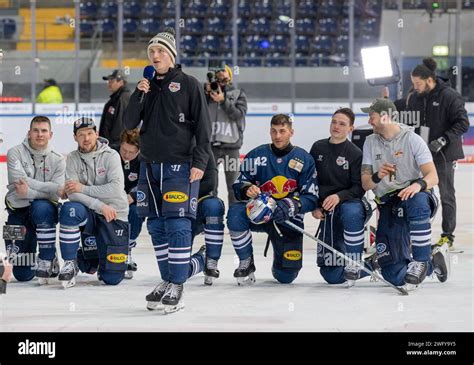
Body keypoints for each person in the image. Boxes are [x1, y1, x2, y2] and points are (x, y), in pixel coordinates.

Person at [124, 27, 211, 313]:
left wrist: (199, 163)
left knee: (177, 224)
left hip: (181, 165)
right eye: (151, 51)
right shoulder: (146, 87)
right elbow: (128, 122)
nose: (155, 55)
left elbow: (203, 128)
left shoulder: (189, 83)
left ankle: (177, 284)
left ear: (171, 56)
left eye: (161, 51)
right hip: (149, 166)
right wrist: (138, 94)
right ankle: (167, 279)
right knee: (157, 225)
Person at [360, 98, 448, 289]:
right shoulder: (369, 142)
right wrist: (377, 175)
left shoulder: (412, 139)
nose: (369, 121)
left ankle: (421, 261)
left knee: (416, 200)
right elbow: (366, 185)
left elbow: (433, 176)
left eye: (372, 116)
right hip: (389, 204)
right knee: (394, 275)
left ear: (384, 118)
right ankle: (433, 262)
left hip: (416, 198)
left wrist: (418, 185)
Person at [227, 114, 318, 285]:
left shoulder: (304, 159)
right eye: (274, 131)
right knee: (235, 213)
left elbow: (312, 197)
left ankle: (280, 262)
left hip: (288, 219)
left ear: (291, 132)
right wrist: (247, 189)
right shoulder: (256, 155)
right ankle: (246, 262)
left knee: (286, 276)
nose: (277, 136)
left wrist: (293, 204)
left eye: (282, 131)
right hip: (259, 215)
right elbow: (239, 184)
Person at [146, 153, 225, 310]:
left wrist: (182, 188)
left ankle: (211, 261)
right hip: (174, 211)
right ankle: (198, 262)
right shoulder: (168, 148)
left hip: (195, 209)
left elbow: (210, 184)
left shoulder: (203, 150)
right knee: (175, 262)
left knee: (214, 206)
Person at [57, 117, 129, 288]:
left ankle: (93, 255)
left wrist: (83, 188)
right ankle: (70, 262)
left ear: (97, 134)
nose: (86, 138)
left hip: (114, 214)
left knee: (111, 279)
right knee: (69, 209)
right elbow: (72, 194)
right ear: (75, 137)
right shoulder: (73, 158)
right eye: (81, 134)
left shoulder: (111, 155)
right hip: (93, 212)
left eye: (90, 133)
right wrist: (100, 205)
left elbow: (116, 189)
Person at [407, 57, 470, 251]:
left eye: (418, 83)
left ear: (429, 79)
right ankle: (416, 233)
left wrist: (443, 140)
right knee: (418, 192)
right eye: (413, 84)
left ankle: (447, 236)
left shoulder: (449, 95)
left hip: (444, 155)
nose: (415, 87)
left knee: (446, 194)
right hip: (422, 154)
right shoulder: (416, 97)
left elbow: (463, 123)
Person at [309, 107, 372, 286]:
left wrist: (338, 196)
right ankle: (373, 263)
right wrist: (314, 205)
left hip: (350, 208)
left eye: (342, 124)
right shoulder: (317, 147)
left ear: (350, 129)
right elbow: (309, 181)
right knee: (332, 276)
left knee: (350, 210)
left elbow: (359, 188)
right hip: (328, 213)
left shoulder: (355, 153)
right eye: (334, 122)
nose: (336, 126)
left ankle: (355, 262)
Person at [4, 115, 65, 284]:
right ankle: (31, 251)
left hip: (43, 211)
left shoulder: (58, 159)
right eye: (36, 131)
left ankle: (48, 257)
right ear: (29, 133)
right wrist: (51, 187)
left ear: (50, 134)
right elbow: (20, 182)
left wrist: (30, 191)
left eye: (44, 131)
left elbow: (58, 192)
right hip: (18, 209)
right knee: (23, 274)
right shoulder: (14, 153)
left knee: (41, 208)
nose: (40, 134)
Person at [206, 64, 248, 206]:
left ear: (230, 75)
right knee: (210, 186)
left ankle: (235, 221)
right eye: (218, 72)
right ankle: (211, 219)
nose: (221, 74)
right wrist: (205, 93)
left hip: (232, 145)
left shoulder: (238, 93)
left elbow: (239, 115)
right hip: (211, 146)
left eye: (224, 71)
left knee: (234, 186)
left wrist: (223, 101)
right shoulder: (208, 92)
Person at [117, 128, 143, 279]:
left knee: (136, 210)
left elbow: (147, 184)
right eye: (123, 150)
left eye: (131, 152)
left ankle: (127, 249)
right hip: (112, 198)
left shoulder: (144, 159)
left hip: (132, 200)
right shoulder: (112, 154)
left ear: (138, 151)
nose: (126, 155)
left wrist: (133, 195)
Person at [99, 69, 131, 149]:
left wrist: (113, 146)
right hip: (110, 145)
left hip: (115, 146)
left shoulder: (123, 98)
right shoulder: (116, 98)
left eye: (112, 81)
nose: (109, 84)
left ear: (121, 82)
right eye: (108, 81)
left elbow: (120, 125)